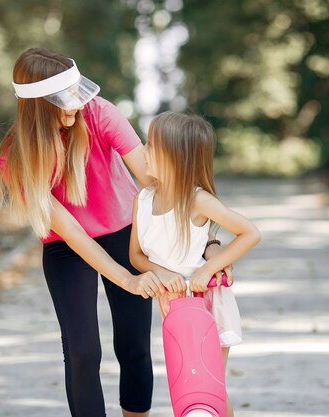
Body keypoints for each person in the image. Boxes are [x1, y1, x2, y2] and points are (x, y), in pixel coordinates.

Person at [0, 48, 229, 417]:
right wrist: (127, 280)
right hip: (66, 246)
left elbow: (162, 182)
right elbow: (71, 232)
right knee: (83, 351)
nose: (77, 105)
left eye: (77, 95)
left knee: (134, 344)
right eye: (64, 101)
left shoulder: (100, 112)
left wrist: (209, 242)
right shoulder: (16, 158)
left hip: (126, 232)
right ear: (38, 106)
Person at [129, 111, 261, 417]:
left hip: (208, 303)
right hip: (173, 306)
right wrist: (161, 272)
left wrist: (207, 269)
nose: (142, 151)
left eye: (150, 144)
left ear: (174, 156)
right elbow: (135, 255)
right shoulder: (143, 200)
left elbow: (250, 233)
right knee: (184, 388)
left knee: (210, 387)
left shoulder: (197, 201)